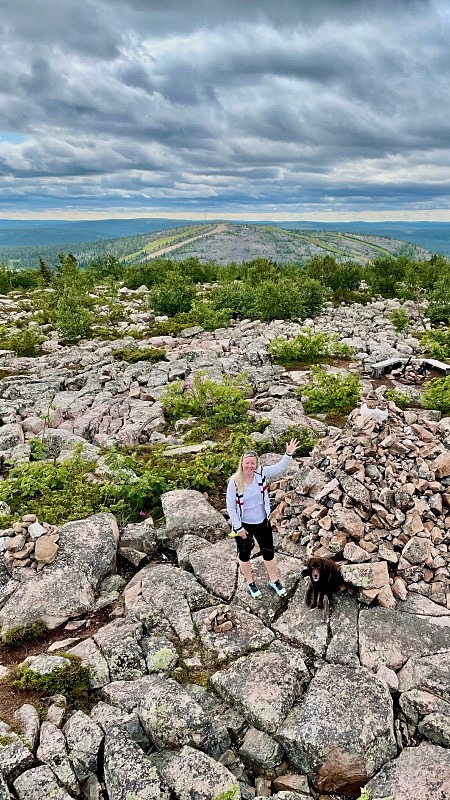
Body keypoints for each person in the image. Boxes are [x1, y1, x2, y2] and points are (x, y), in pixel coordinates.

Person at [226, 438, 299, 599]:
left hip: (262, 522)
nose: (250, 466)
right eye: (247, 463)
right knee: (244, 554)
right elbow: (231, 507)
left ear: (256, 464)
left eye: (253, 463)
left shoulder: (261, 473)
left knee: (269, 552)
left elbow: (279, 468)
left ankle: (274, 580)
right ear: (242, 463)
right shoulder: (234, 482)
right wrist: (238, 528)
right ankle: (250, 582)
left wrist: (288, 454)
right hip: (244, 526)